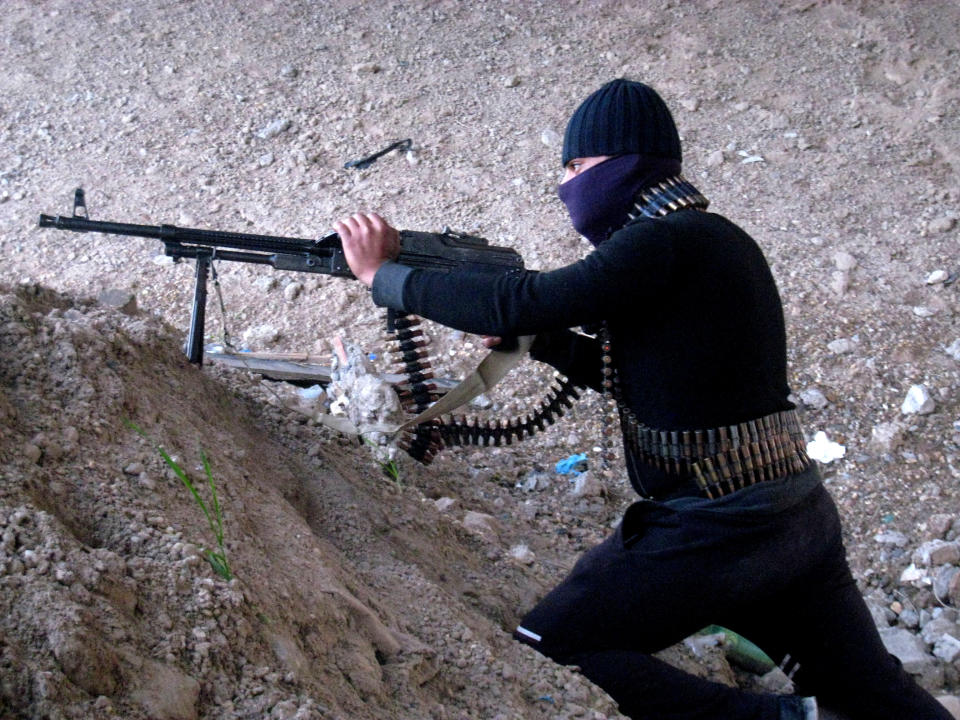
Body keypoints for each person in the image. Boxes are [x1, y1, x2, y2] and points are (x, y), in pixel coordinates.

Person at [335, 79, 952, 720]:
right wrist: (548, 345)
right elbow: (658, 385)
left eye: (579, 165)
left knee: (554, 645)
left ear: (629, 159)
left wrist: (385, 276)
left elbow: (526, 297)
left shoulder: (670, 240)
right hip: (787, 517)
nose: (567, 183)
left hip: (716, 523)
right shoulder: (706, 245)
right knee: (874, 693)